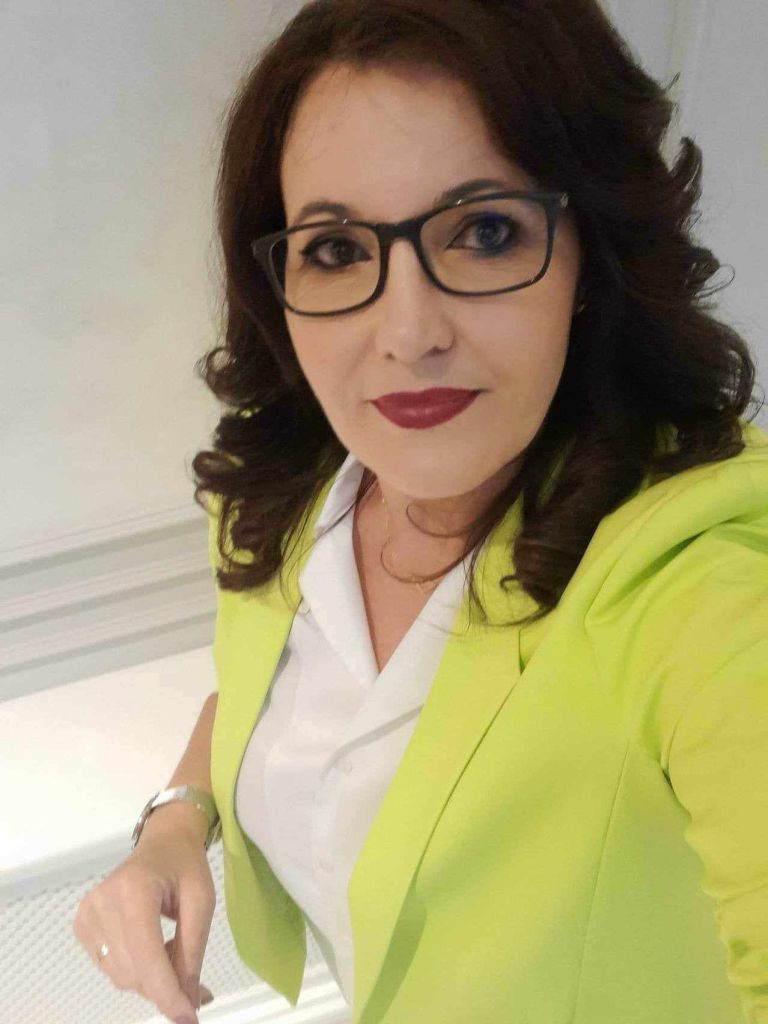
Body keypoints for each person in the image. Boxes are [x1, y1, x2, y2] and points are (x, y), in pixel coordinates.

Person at [73, 1, 768, 1022]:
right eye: (337, 250)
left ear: (591, 253)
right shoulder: (290, 492)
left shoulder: (697, 579)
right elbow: (270, 684)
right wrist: (177, 822)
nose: (407, 334)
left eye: (486, 232)